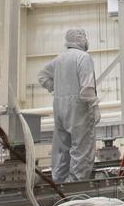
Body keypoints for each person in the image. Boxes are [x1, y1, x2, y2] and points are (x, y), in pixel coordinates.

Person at [38, 27, 99, 182]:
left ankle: (59, 183)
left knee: (61, 148)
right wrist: (94, 107)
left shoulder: (59, 59)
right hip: (79, 109)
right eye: (84, 37)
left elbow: (42, 76)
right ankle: (76, 187)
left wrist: (55, 88)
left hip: (60, 109)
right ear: (79, 39)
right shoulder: (83, 57)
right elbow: (87, 88)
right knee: (81, 149)